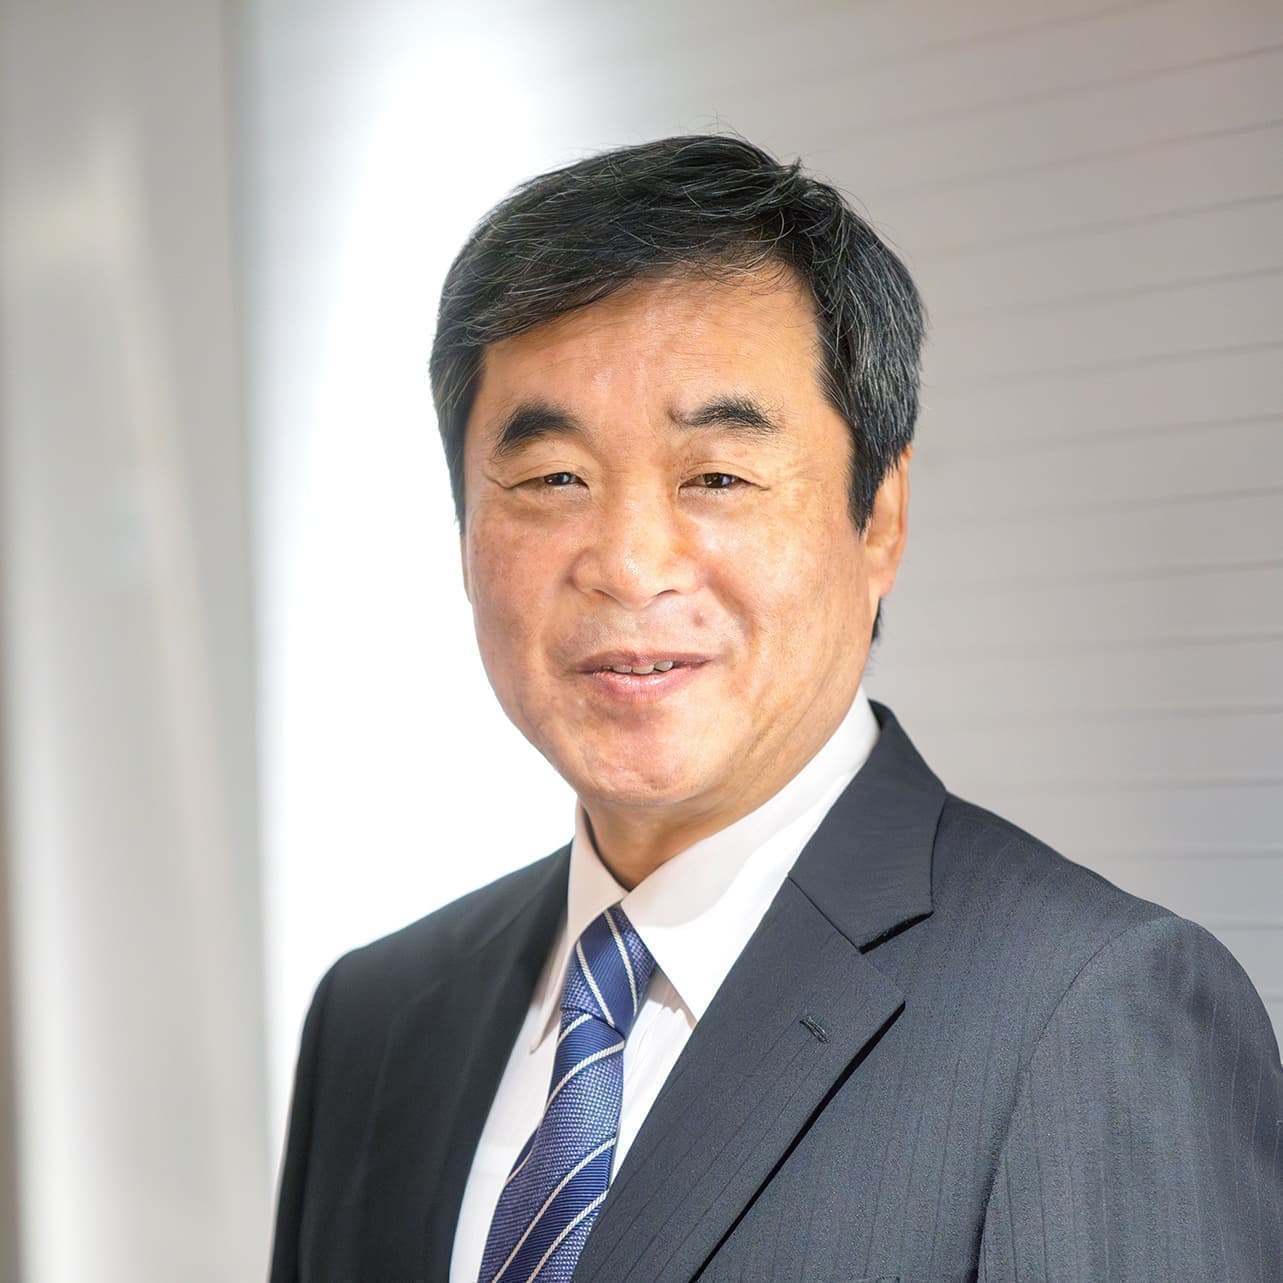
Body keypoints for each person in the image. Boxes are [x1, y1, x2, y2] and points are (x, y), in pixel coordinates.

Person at [269, 135, 1282, 1283]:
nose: (629, 565)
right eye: (553, 479)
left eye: (715, 476)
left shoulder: (1088, 1013)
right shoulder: (376, 1016)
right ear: (462, 530)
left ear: (877, 516)